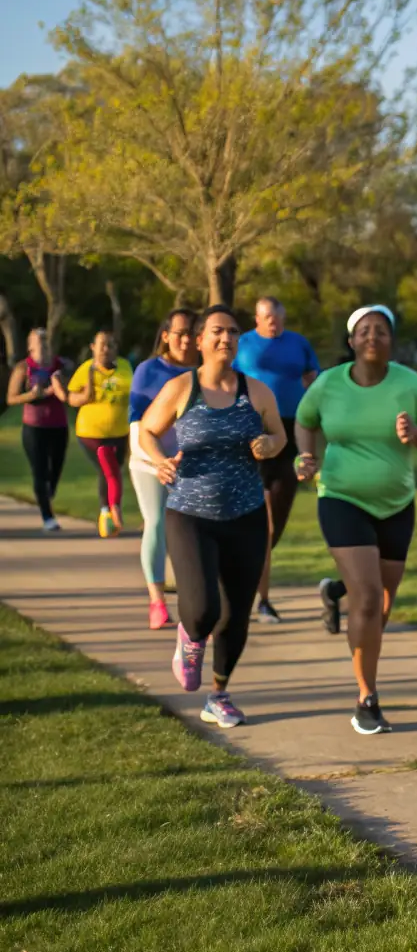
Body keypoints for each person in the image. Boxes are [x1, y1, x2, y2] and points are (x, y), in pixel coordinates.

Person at [295, 305, 417, 736]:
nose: (372, 337)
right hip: (342, 497)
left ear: (390, 340)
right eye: (364, 331)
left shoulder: (410, 384)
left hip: (397, 503)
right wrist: (306, 457)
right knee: (366, 599)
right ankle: (367, 696)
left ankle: (335, 591)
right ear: (352, 341)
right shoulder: (329, 385)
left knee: (380, 606)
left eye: (381, 331)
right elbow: (305, 422)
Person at [140, 305, 286, 729]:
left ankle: (219, 694)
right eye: (218, 332)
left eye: (234, 333)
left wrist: (270, 445)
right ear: (200, 340)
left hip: (246, 515)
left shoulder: (256, 391)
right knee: (202, 610)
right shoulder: (182, 388)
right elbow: (148, 430)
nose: (227, 339)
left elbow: (279, 433)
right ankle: (189, 638)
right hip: (190, 513)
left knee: (236, 614)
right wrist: (159, 461)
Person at [235, 296, 320, 624]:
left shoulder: (298, 344)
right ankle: (262, 601)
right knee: (257, 525)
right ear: (256, 318)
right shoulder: (242, 344)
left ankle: (253, 582)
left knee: (274, 526)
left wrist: (314, 388)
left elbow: (315, 376)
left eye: (276, 316)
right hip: (253, 433)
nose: (272, 322)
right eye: (266, 317)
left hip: (291, 433)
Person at [128, 309, 198, 629]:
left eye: (191, 333)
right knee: (156, 521)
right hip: (150, 461)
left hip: (191, 462)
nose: (185, 339)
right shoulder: (148, 370)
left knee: (193, 530)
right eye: (179, 333)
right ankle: (157, 601)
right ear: (166, 335)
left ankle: (196, 596)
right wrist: (158, 462)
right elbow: (138, 425)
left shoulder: (206, 371)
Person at [67, 331, 133, 538]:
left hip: (120, 432)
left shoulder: (125, 367)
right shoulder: (86, 369)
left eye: (111, 345)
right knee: (109, 471)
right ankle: (110, 513)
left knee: (112, 471)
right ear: (93, 347)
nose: (107, 349)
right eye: (102, 344)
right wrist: (85, 396)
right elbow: (71, 399)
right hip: (91, 433)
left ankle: (107, 514)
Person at [6, 328, 69, 532]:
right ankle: (47, 517)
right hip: (34, 428)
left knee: (55, 470)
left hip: (59, 425)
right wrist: (33, 395)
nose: (42, 342)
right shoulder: (24, 367)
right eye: (37, 339)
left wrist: (60, 387)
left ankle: (46, 495)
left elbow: (72, 388)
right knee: (40, 471)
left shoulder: (61, 365)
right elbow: (11, 398)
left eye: (45, 339)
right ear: (30, 346)